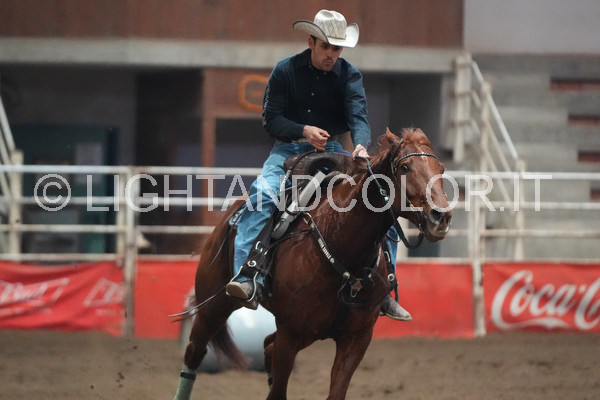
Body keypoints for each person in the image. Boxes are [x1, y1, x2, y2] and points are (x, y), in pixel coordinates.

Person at [225, 9, 411, 321]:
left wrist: (361, 144)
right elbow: (271, 120)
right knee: (262, 197)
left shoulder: (350, 75)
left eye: (336, 48)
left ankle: (384, 291)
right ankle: (246, 277)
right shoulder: (285, 71)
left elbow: (358, 117)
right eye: (326, 47)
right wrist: (303, 130)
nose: (331, 54)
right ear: (311, 42)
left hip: (334, 150)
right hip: (286, 151)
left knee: (380, 204)